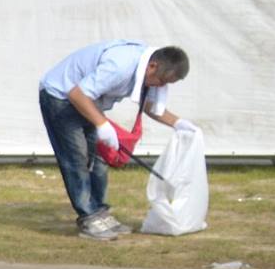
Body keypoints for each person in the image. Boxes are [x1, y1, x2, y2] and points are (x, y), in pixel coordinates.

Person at [39, 41, 191, 239]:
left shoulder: (149, 69)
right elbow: (76, 94)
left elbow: (149, 104)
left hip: (87, 101)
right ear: (153, 66)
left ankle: (100, 212)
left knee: (99, 159)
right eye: (161, 81)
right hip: (59, 97)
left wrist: (179, 123)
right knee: (76, 159)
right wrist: (102, 124)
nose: (161, 86)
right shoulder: (120, 66)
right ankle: (89, 218)